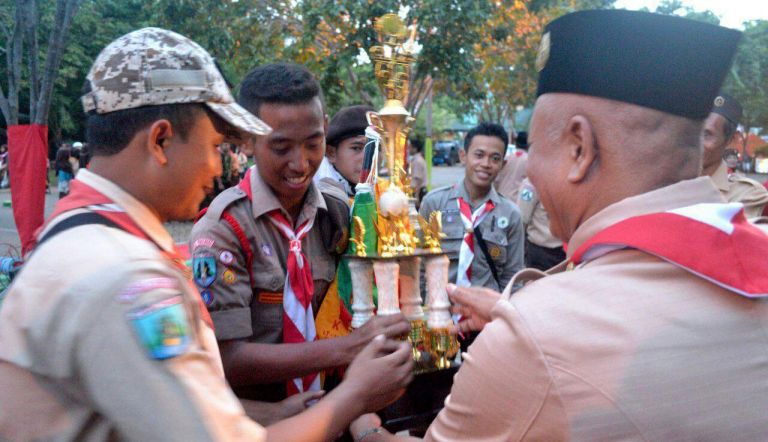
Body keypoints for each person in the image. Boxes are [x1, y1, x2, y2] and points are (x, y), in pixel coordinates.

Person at [350, 10, 768, 441]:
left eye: (533, 146)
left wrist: (360, 423)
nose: (527, 173)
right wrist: (510, 314)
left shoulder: (537, 340)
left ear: (579, 147)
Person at [0, 28, 412, 441]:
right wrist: (354, 397)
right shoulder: (127, 277)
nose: (219, 168)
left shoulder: (82, 236)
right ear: (161, 141)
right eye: (215, 145)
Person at [189, 63, 410, 403]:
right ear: (248, 140)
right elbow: (228, 360)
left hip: (335, 406)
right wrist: (346, 348)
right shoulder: (223, 229)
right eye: (281, 148)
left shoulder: (337, 213)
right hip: (264, 422)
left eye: (313, 143)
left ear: (324, 128)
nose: (301, 163)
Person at [419, 122, 524, 293]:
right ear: (463, 156)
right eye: (479, 155)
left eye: (495, 158)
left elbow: (512, 277)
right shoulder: (435, 204)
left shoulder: (511, 214)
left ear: (503, 165)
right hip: (440, 312)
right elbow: (420, 265)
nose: (486, 164)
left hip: (485, 317)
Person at [701, 92, 768, 218]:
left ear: (731, 139)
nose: (694, 142)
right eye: (691, 131)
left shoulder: (747, 194)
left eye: (707, 135)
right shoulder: (663, 181)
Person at [314, 104, 374, 198]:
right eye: (356, 148)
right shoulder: (320, 193)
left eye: (374, 149)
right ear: (331, 153)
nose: (369, 159)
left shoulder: (379, 188)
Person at [516, 177, 565, 270]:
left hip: (563, 251)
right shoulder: (531, 185)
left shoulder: (566, 181)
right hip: (540, 251)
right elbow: (522, 219)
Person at [494, 130, 528, 201]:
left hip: (500, 197)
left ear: (515, 143)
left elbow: (496, 179)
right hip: (516, 201)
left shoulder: (506, 159)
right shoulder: (529, 162)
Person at [409, 137, 427, 208]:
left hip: (418, 192)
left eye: (410, 147)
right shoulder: (417, 159)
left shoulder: (417, 161)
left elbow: (418, 180)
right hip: (419, 191)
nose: (408, 149)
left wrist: (416, 197)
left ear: (415, 149)